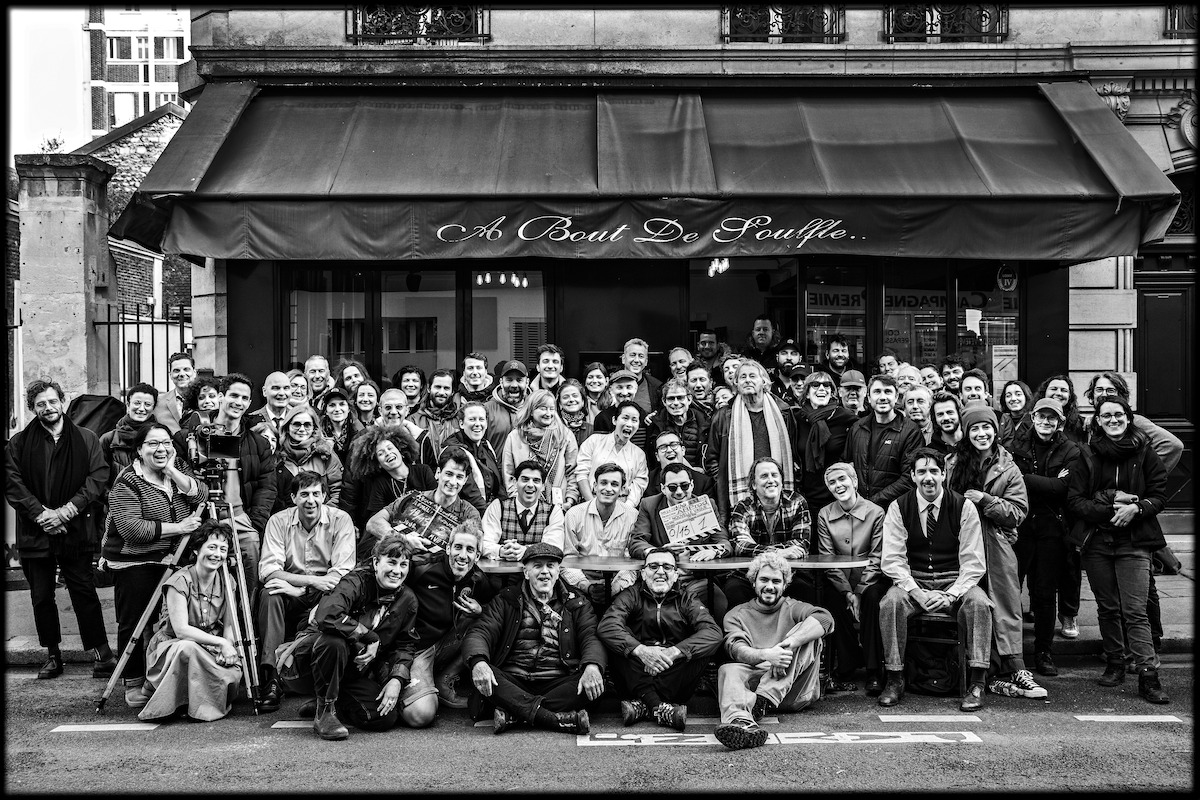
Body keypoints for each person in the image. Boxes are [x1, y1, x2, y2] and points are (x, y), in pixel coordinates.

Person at [6, 379, 115, 680]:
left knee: (83, 591)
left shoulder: (86, 438)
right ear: (33, 408)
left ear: (62, 401)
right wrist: (41, 514)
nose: (48, 407)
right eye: (40, 404)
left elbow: (98, 476)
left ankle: (103, 654)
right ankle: (53, 655)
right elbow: (12, 483)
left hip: (75, 528)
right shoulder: (19, 443)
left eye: (52, 401)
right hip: (35, 530)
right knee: (41, 596)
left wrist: (67, 511)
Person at [1067, 395, 1170, 704]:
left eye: (1118, 414)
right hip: (1097, 542)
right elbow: (1075, 502)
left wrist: (1136, 510)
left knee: (1135, 610)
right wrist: (1111, 505)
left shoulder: (1145, 452)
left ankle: (1148, 675)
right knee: (1108, 608)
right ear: (1098, 421)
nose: (1113, 420)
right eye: (1106, 415)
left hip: (1134, 542)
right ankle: (1115, 663)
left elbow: (1159, 494)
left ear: (1128, 417)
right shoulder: (1086, 455)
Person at [876, 448, 993, 712]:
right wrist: (915, 591)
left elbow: (974, 563)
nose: (928, 477)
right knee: (890, 603)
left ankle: (977, 682)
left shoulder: (964, 506)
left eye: (933, 471)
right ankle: (894, 678)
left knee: (979, 603)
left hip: (954, 580)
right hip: (914, 580)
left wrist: (951, 594)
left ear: (943, 474)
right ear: (912, 476)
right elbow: (893, 560)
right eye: (921, 472)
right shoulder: (898, 507)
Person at [275, 531, 421, 739]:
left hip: (350, 672)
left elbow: (405, 645)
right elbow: (327, 614)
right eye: (391, 562)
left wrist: (397, 679)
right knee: (335, 641)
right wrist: (369, 636)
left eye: (403, 564)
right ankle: (324, 712)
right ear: (376, 562)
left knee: (384, 717)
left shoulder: (408, 599)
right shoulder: (355, 581)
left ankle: (335, 702)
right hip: (307, 662)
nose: (397, 571)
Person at [945, 403, 1043, 700]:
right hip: (960, 545)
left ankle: (1015, 667)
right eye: (974, 428)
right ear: (966, 432)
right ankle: (983, 672)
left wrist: (986, 500)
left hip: (995, 544)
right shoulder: (951, 464)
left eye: (986, 427)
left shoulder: (1008, 467)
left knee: (1004, 603)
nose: (981, 433)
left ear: (995, 430)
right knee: (970, 604)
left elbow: (1018, 512)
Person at [103, 422, 205, 707]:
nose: (161, 449)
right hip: (134, 559)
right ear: (139, 449)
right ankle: (133, 681)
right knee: (135, 620)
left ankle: (162, 678)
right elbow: (132, 529)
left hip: (175, 558)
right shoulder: (126, 482)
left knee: (172, 621)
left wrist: (172, 470)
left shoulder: (178, 467)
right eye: (153, 444)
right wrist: (179, 528)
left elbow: (201, 495)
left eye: (166, 443)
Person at [1084, 370, 1184, 654]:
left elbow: (1173, 445)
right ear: (1091, 396)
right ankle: (1123, 648)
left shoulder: (1133, 421)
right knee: (1117, 592)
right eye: (1099, 390)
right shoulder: (1091, 424)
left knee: (1143, 585)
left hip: (1135, 513)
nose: (1104, 394)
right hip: (1105, 515)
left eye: (1110, 390)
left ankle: (1151, 641)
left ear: (1123, 396)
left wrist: (1141, 481)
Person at [463, 542, 603, 735]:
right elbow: (480, 631)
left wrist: (592, 666)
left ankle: (515, 713)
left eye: (550, 566)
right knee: (486, 674)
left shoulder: (576, 602)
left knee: (591, 681)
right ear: (526, 572)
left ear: (558, 572)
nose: (545, 571)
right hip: (513, 680)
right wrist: (479, 663)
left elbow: (591, 636)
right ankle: (552, 719)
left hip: (558, 682)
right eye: (537, 566)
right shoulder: (507, 599)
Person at [256, 471, 357, 713]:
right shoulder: (278, 521)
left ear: (324, 496)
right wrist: (307, 584)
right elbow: (268, 571)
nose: (310, 500)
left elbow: (341, 573)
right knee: (269, 593)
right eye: (304, 494)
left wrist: (304, 589)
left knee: (338, 596)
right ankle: (271, 678)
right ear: (293, 498)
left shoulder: (340, 520)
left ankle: (317, 678)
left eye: (315, 494)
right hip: (292, 589)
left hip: (325, 591)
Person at [714, 551, 833, 750]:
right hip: (753, 689)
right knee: (728, 669)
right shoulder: (736, 614)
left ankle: (764, 699)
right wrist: (768, 655)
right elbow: (737, 650)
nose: (770, 586)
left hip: (793, 689)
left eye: (776, 581)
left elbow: (825, 619)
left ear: (784, 585)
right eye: (764, 580)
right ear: (753, 582)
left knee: (809, 633)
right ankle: (742, 723)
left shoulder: (793, 607)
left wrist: (787, 646)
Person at [597, 547, 723, 732]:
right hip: (638, 670)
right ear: (643, 573)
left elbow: (713, 632)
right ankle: (658, 708)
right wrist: (642, 651)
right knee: (618, 642)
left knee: (702, 647)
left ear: (676, 575)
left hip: (673, 672)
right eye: (653, 566)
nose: (660, 572)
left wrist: (674, 652)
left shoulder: (687, 598)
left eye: (667, 567)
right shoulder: (631, 595)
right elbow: (607, 625)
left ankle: (644, 705)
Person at [178, 372, 279, 594]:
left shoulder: (258, 443)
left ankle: (247, 613)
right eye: (233, 395)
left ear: (250, 403)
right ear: (221, 396)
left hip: (241, 519)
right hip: (203, 517)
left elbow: (267, 486)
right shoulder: (193, 434)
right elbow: (181, 475)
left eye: (244, 398)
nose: (238, 402)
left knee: (250, 579)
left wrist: (254, 521)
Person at [137, 521, 243, 722]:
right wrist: (220, 642)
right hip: (174, 646)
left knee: (232, 671)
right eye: (212, 547)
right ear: (196, 549)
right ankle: (176, 702)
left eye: (223, 549)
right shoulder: (179, 581)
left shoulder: (228, 581)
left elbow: (229, 625)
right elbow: (181, 630)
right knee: (187, 648)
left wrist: (227, 647)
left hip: (209, 647)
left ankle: (191, 701)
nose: (217, 554)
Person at [395, 522, 496, 724]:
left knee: (485, 621)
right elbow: (383, 573)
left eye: (470, 550)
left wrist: (480, 610)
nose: (462, 555)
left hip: (447, 644)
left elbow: (496, 609)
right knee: (421, 715)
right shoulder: (422, 566)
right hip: (417, 649)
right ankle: (404, 685)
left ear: (477, 556)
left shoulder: (477, 578)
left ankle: (444, 680)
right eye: (458, 547)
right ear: (448, 548)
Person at [1010, 397, 1083, 678]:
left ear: (1060, 422)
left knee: (1044, 593)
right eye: (1041, 416)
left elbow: (1064, 488)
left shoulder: (1070, 450)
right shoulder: (1016, 445)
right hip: (1020, 528)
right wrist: (1048, 482)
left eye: (1052, 418)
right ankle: (1010, 653)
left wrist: (1026, 478)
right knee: (1011, 590)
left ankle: (1043, 652)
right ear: (1033, 417)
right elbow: (1011, 482)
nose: (1046, 422)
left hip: (1052, 529)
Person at [814, 463, 886, 692]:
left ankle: (874, 670)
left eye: (842, 479)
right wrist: (846, 592)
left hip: (870, 579)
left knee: (873, 599)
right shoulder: (825, 514)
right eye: (832, 482)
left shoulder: (876, 512)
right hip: (840, 580)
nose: (838, 485)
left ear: (854, 481)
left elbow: (877, 557)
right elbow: (827, 558)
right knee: (831, 599)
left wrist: (859, 592)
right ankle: (847, 663)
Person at [629, 462, 731, 613]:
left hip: (695, 578)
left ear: (692, 485)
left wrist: (714, 551)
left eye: (684, 486)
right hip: (660, 577)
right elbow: (637, 541)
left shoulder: (706, 505)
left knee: (718, 600)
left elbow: (724, 542)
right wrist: (659, 552)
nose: (679, 492)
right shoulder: (649, 505)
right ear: (663, 488)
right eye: (672, 487)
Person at [705, 360, 796, 522]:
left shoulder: (784, 414)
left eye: (752, 376)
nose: (747, 380)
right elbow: (712, 458)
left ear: (764, 381)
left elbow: (795, 455)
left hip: (776, 490)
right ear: (736, 383)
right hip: (739, 494)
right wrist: (724, 481)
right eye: (743, 377)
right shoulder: (724, 416)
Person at [723, 457, 813, 610]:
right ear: (753, 484)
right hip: (750, 574)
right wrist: (779, 552)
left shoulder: (797, 501)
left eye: (774, 475)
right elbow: (740, 545)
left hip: (789, 572)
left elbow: (801, 543)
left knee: (803, 589)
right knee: (733, 589)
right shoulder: (743, 507)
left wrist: (759, 550)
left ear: (781, 480)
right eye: (764, 476)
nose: (771, 480)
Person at [364, 450, 483, 560]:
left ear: (465, 480)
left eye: (459, 477)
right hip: (403, 564)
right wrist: (403, 539)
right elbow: (373, 523)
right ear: (438, 473)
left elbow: (476, 548)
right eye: (449, 474)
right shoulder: (412, 498)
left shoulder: (469, 513)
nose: (453, 482)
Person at [561, 462, 640, 606]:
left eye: (614, 484)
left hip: (620, 585)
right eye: (603, 483)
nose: (608, 489)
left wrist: (615, 588)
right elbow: (567, 559)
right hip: (581, 583)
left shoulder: (633, 516)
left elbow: (633, 562)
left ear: (622, 489)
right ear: (594, 486)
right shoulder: (574, 515)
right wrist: (586, 586)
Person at [842, 374, 924, 508]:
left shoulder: (910, 431)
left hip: (895, 509)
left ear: (896, 397)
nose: (882, 397)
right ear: (869, 397)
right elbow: (847, 464)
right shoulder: (857, 427)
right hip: (859, 508)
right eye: (877, 392)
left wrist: (873, 502)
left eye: (888, 392)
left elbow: (910, 477)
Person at [339, 426, 436, 536]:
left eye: (390, 448)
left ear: (400, 451)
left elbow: (437, 503)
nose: (388, 453)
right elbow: (376, 519)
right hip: (397, 534)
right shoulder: (380, 483)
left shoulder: (423, 471)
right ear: (378, 464)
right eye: (381, 453)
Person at [789, 370, 859, 511]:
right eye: (815, 385)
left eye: (827, 385)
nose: (822, 388)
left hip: (837, 495)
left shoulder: (846, 418)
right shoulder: (797, 418)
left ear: (832, 392)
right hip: (805, 496)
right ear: (807, 393)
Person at [501, 389, 579, 510]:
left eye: (551, 409)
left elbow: (572, 471)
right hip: (524, 505)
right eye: (543, 408)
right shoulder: (516, 437)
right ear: (531, 411)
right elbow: (508, 474)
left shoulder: (564, 435)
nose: (548, 413)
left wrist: (570, 500)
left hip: (559, 506)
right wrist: (518, 501)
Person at [481, 459, 567, 563]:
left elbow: (555, 547)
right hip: (501, 571)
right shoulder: (498, 506)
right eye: (525, 479)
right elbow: (483, 543)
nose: (530, 485)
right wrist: (501, 550)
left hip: (538, 571)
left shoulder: (553, 511)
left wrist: (526, 551)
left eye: (536, 480)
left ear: (543, 486)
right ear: (515, 482)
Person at [272, 403, 344, 514]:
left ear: (314, 428)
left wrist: (323, 515)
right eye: (296, 424)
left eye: (307, 425)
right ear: (287, 427)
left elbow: (338, 490)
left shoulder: (325, 454)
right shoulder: (277, 454)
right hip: (284, 519)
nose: (302, 429)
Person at [576, 400, 650, 508]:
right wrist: (592, 505)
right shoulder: (594, 441)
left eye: (634, 420)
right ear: (614, 420)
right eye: (625, 418)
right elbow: (581, 473)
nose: (629, 424)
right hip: (590, 501)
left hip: (623, 505)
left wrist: (625, 509)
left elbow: (639, 485)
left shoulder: (639, 454)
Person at [440, 401, 505, 505]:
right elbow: (471, 495)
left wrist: (504, 507)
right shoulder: (454, 451)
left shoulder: (486, 446)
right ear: (461, 423)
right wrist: (488, 513)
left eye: (481, 419)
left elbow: (498, 486)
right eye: (472, 419)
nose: (478, 424)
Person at [100, 382, 160, 490]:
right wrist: (112, 497)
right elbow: (99, 477)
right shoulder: (109, 439)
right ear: (128, 405)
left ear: (154, 408)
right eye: (137, 403)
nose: (141, 409)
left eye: (147, 404)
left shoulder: (162, 437)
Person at [643, 378, 709, 469]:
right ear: (664, 402)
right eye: (671, 399)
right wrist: (692, 471)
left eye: (680, 398)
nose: (676, 403)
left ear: (689, 399)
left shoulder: (704, 422)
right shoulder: (655, 424)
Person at [592, 369, 653, 452]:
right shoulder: (602, 418)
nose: (624, 393)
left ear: (636, 389)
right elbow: (600, 450)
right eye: (619, 387)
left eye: (629, 387)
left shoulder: (644, 416)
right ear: (611, 389)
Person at [645, 429, 716, 499]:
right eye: (663, 447)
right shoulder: (647, 482)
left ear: (683, 450)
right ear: (657, 456)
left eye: (674, 445)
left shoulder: (703, 482)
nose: (669, 450)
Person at [409, 369, 461, 458]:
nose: (441, 392)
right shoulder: (413, 420)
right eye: (438, 387)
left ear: (452, 392)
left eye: (446, 388)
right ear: (429, 388)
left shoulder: (460, 420)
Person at [485, 360, 530, 453]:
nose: (514, 385)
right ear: (501, 382)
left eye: (519, 380)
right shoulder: (486, 410)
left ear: (527, 382)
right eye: (509, 380)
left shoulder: (535, 409)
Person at [245, 371, 293, 447]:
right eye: (276, 388)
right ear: (264, 391)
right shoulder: (251, 420)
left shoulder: (297, 418)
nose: (282, 393)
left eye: (286, 388)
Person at [153, 352, 197, 434]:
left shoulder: (204, 400)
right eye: (176, 370)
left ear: (194, 372)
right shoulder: (158, 402)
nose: (182, 374)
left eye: (186, 369)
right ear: (170, 375)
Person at [1035, 373, 1086, 444]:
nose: (1058, 393)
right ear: (1044, 392)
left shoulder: (1081, 424)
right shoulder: (1029, 421)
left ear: (1069, 396)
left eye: (1064, 390)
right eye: (1054, 389)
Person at [318, 386, 361, 467]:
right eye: (332, 405)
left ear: (348, 408)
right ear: (326, 410)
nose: (337, 409)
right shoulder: (318, 434)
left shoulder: (358, 432)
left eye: (342, 404)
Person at [621, 337, 664, 415]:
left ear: (646, 361)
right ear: (623, 359)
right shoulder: (612, 385)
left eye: (641, 356)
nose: (636, 360)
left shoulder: (656, 387)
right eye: (633, 355)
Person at [556, 379, 594, 446]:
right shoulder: (555, 428)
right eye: (565, 397)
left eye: (575, 396)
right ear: (560, 404)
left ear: (583, 401)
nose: (571, 400)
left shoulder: (591, 429)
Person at [998, 379, 1033, 451]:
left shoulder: (1034, 420)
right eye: (1008, 396)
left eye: (1018, 394)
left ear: (1026, 396)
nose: (1013, 398)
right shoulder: (1000, 420)